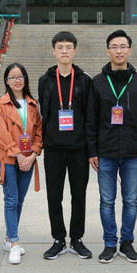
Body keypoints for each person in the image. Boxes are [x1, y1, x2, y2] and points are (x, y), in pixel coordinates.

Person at [86, 29, 137, 264]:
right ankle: (110, 243)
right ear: (108, 51)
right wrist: (92, 151)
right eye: (114, 47)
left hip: (133, 152)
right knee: (106, 201)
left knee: (131, 201)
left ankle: (127, 243)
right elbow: (91, 119)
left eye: (123, 46)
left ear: (130, 50)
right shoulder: (97, 82)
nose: (119, 51)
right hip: (106, 152)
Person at [38, 31, 93, 260]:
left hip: (79, 149)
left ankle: (77, 238)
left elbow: (90, 116)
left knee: (79, 196)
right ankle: (58, 239)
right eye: (60, 47)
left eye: (68, 47)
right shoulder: (45, 80)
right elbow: (43, 114)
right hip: (53, 149)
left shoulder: (84, 80)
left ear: (74, 51)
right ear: (53, 51)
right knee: (54, 196)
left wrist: (91, 149)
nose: (64, 51)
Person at [0, 63, 43, 265]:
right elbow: (1, 134)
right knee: (11, 199)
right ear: (6, 81)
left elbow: (39, 132)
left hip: (28, 159)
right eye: (12, 77)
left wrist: (33, 154)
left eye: (20, 76)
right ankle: (14, 243)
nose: (17, 80)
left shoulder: (32, 105)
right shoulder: (1, 104)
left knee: (19, 201)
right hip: (8, 159)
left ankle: (8, 238)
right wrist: (18, 154)